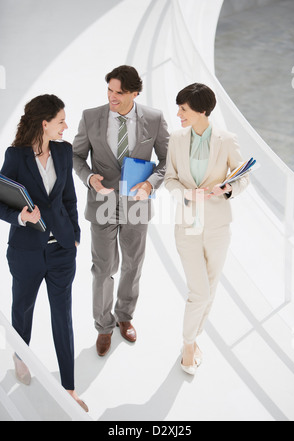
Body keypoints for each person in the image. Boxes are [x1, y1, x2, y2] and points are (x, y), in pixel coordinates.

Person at [73, 65, 169, 356]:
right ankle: (103, 326)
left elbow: (166, 161)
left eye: (120, 92)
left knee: (132, 264)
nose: (112, 97)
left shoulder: (153, 119)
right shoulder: (91, 117)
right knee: (103, 269)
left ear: (134, 93)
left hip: (137, 205)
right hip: (101, 203)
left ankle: (124, 316)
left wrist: (150, 186)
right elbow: (76, 155)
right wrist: (89, 178)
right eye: (110, 90)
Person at [0, 94, 88, 412]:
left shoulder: (63, 152)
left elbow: (69, 198)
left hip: (62, 251)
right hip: (25, 252)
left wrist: (74, 235)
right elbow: (1, 200)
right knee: (23, 311)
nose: (66, 126)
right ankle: (19, 355)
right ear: (45, 123)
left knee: (62, 318)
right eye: (61, 120)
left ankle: (69, 389)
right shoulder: (15, 156)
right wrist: (21, 217)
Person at [164, 83, 249, 375]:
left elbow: (243, 179)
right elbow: (170, 180)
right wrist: (187, 194)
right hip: (187, 222)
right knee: (198, 291)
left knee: (209, 289)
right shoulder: (176, 139)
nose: (178, 114)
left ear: (202, 111)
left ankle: (195, 338)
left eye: (183, 109)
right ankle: (188, 343)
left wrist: (226, 190)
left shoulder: (226, 140)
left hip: (217, 226)